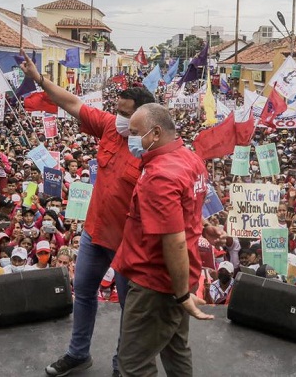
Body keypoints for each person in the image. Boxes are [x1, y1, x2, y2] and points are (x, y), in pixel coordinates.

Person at [20, 52, 156, 377]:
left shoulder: (154, 151)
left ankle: (121, 366)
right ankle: (78, 354)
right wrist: (39, 79)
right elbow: (72, 103)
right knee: (83, 293)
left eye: (126, 114)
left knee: (129, 311)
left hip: (129, 247)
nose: (119, 118)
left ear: (145, 117)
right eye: (118, 112)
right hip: (94, 234)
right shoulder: (110, 127)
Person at [112, 103, 212, 376]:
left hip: (155, 283)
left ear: (155, 133)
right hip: (179, 277)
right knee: (175, 349)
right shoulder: (190, 158)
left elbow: (175, 240)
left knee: (133, 364)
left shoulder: (159, 175)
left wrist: (181, 296)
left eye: (134, 132)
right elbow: (186, 211)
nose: (129, 138)